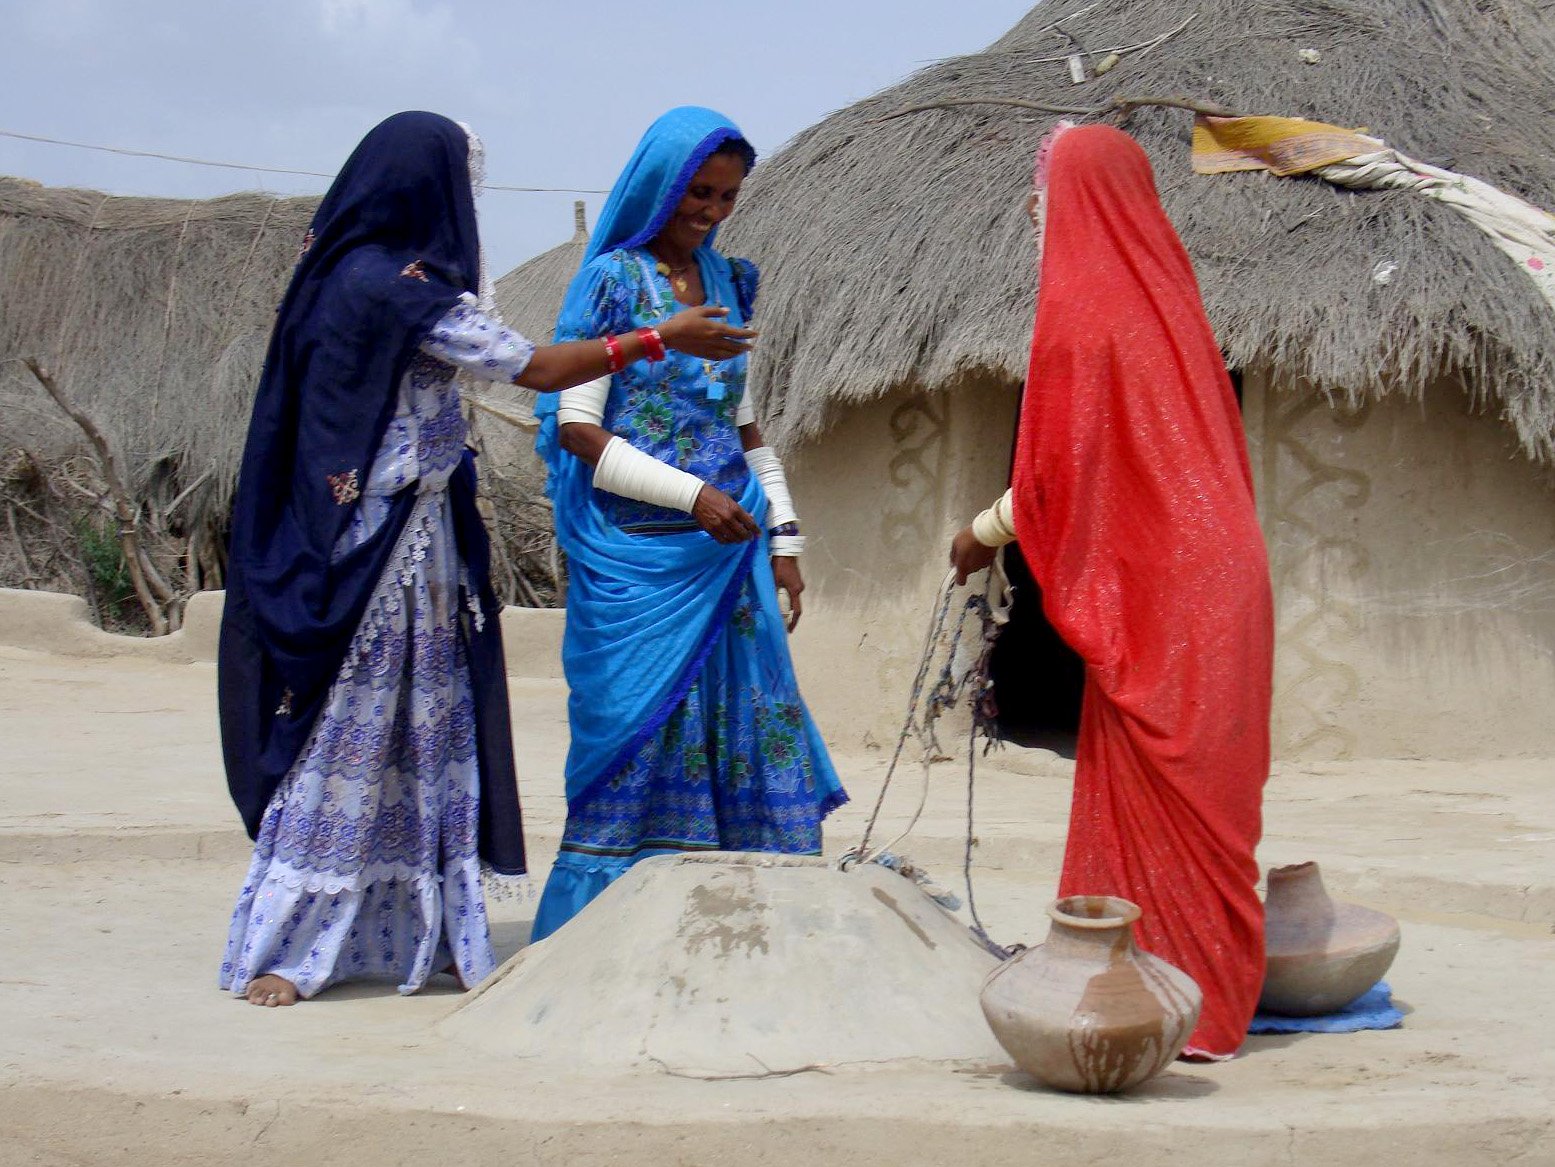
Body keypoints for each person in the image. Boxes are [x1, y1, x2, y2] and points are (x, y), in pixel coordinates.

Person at [218, 111, 752, 1006]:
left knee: (416, 728)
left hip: (399, 539)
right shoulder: (399, 290)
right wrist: (656, 338)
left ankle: (395, 932)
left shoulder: (341, 275)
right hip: (387, 553)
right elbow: (538, 372)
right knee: (357, 730)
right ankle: (293, 947)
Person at [950, 123, 1275, 1059]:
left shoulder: (1081, 306)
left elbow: (1059, 475)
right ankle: (1203, 990)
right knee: (1207, 798)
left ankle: (1177, 1003)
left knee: (1164, 792)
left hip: (1168, 588)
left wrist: (979, 533)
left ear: (1080, 198)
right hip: (1226, 576)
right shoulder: (1167, 297)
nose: (1031, 208)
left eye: (1042, 189)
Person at [529, 106, 847, 942]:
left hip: (728, 558)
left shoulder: (731, 280)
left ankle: (731, 922)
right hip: (640, 556)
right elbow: (576, 426)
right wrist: (690, 497)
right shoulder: (610, 283)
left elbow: (742, 426)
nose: (710, 209)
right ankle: (604, 931)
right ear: (658, 188)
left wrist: (784, 536)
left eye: (727, 196)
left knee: (738, 727)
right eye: (697, 193)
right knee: (631, 733)